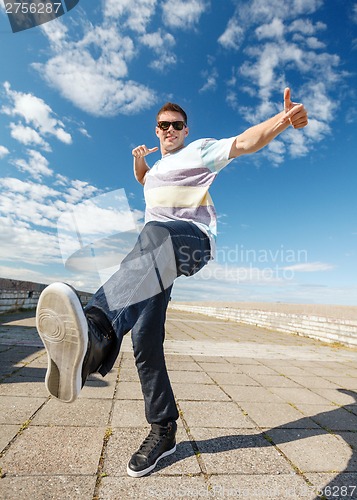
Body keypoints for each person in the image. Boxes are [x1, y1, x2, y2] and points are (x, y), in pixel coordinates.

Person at [36, 88, 308, 478]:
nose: (169, 130)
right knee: (144, 337)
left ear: (185, 130)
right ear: (156, 129)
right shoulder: (154, 173)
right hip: (150, 260)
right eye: (163, 125)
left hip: (190, 242)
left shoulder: (199, 151)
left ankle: (95, 330)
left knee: (156, 233)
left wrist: (283, 120)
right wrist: (138, 163)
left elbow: (246, 142)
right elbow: (146, 179)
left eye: (176, 125)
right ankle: (163, 429)